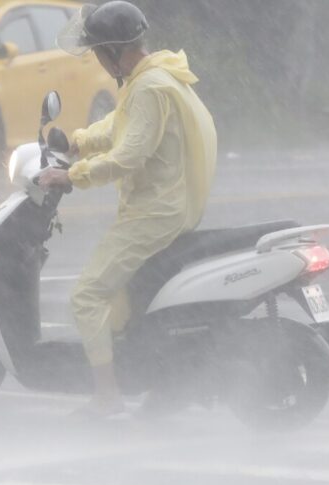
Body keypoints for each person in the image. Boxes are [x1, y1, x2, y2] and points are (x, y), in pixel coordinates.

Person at [38, 1, 218, 418]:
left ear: (114, 52)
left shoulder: (150, 88)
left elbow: (129, 155)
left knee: (87, 296)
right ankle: (163, 381)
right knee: (125, 302)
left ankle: (107, 396)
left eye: (99, 53)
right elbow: (122, 125)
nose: (99, 62)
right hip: (169, 206)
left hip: (157, 212)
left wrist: (72, 176)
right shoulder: (154, 77)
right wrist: (78, 141)